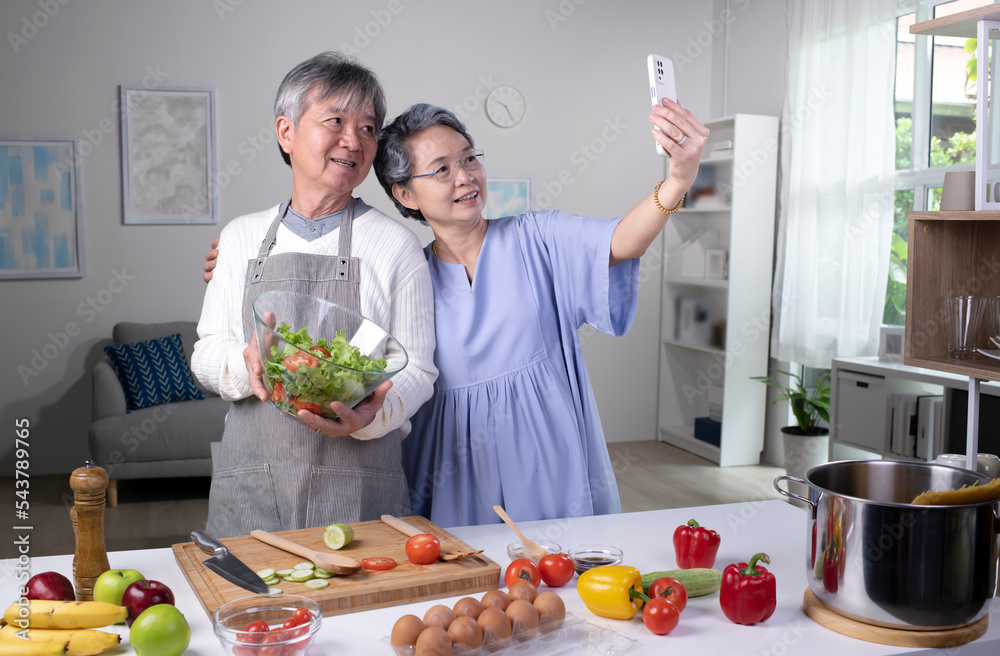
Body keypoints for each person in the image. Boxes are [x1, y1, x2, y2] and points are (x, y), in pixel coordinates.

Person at [369, 100, 707, 527]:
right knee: (474, 586)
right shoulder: (410, 276)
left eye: (469, 158)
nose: (465, 176)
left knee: (560, 580)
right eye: (442, 169)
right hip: (452, 473)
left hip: (548, 464)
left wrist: (678, 180)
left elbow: (621, 241)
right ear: (405, 193)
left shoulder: (537, 238)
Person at [192, 52, 437, 538]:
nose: (354, 139)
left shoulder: (396, 245)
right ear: (286, 132)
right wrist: (247, 363)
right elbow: (205, 353)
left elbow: (418, 368)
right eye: (336, 120)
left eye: (368, 128)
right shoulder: (240, 237)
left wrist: (371, 414)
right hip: (253, 487)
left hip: (360, 484)